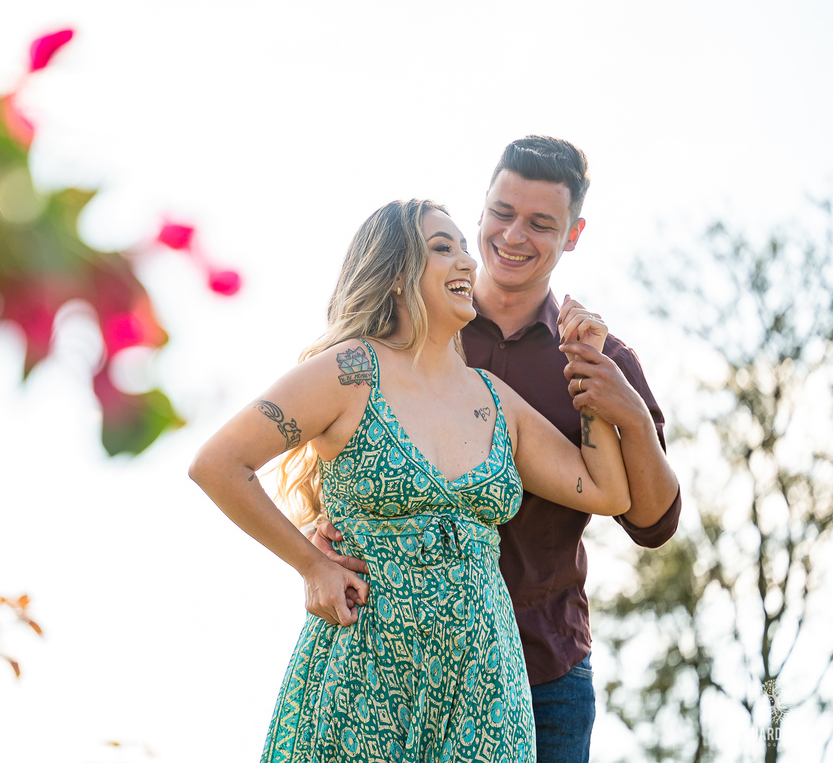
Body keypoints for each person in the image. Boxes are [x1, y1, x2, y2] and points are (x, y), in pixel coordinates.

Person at [189, 198, 632, 762]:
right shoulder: (351, 371)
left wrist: (586, 367)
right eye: (442, 249)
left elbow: (606, 491)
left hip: (485, 691)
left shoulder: (498, 402)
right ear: (397, 275)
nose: (467, 263)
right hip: (363, 677)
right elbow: (218, 463)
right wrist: (312, 564)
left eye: (464, 248)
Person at [314, 137, 683, 762]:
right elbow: (339, 442)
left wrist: (630, 417)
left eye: (542, 223)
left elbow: (653, 523)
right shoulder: (410, 331)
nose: (514, 235)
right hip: (396, 659)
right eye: (501, 213)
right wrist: (317, 544)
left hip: (543, 674)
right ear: (480, 213)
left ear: (573, 234)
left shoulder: (598, 360)